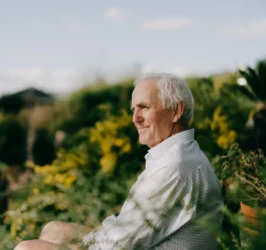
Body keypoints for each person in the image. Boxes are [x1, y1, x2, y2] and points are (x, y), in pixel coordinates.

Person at [14, 73, 223, 250]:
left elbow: (119, 246)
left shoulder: (174, 167)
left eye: (144, 107)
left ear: (176, 111)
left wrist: (75, 245)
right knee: (54, 229)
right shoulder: (179, 154)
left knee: (26, 248)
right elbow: (129, 230)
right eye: (134, 110)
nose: (135, 118)